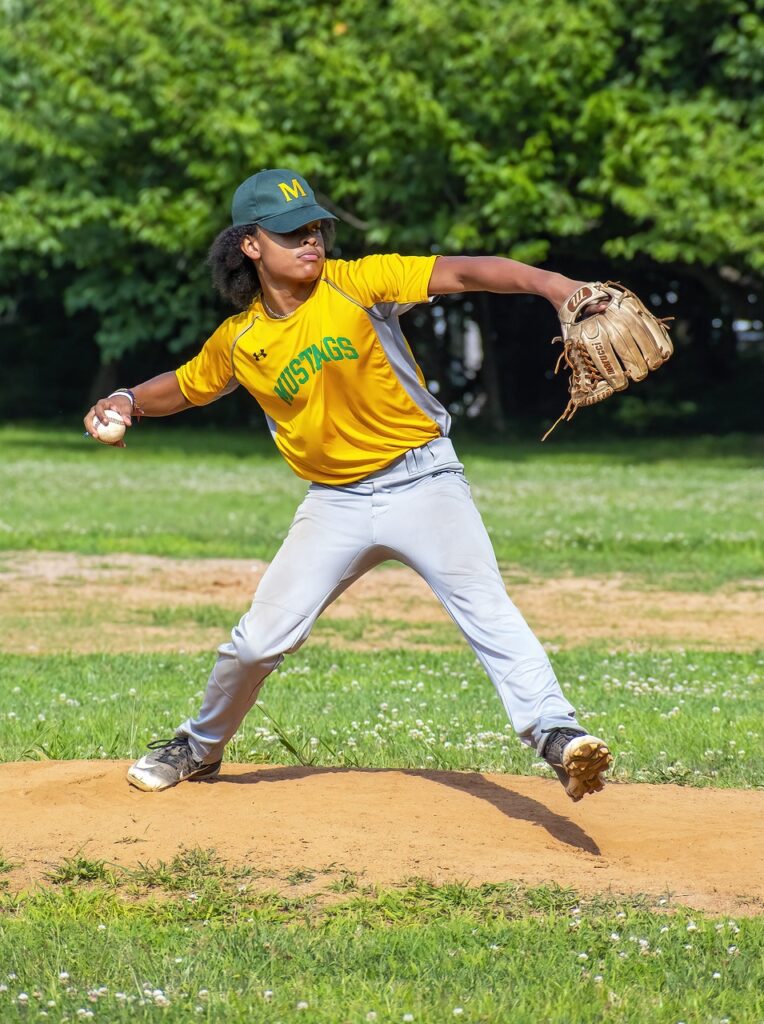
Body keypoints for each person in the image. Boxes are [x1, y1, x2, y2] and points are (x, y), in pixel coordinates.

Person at [84, 168, 612, 801]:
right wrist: (125, 400)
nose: (311, 240)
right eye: (290, 232)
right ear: (250, 245)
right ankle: (199, 746)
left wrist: (555, 286)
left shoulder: (358, 284)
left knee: (488, 611)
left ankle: (557, 735)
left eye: (316, 227)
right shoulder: (242, 340)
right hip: (333, 504)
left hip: (425, 480)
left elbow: (466, 272)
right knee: (255, 644)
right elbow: (184, 385)